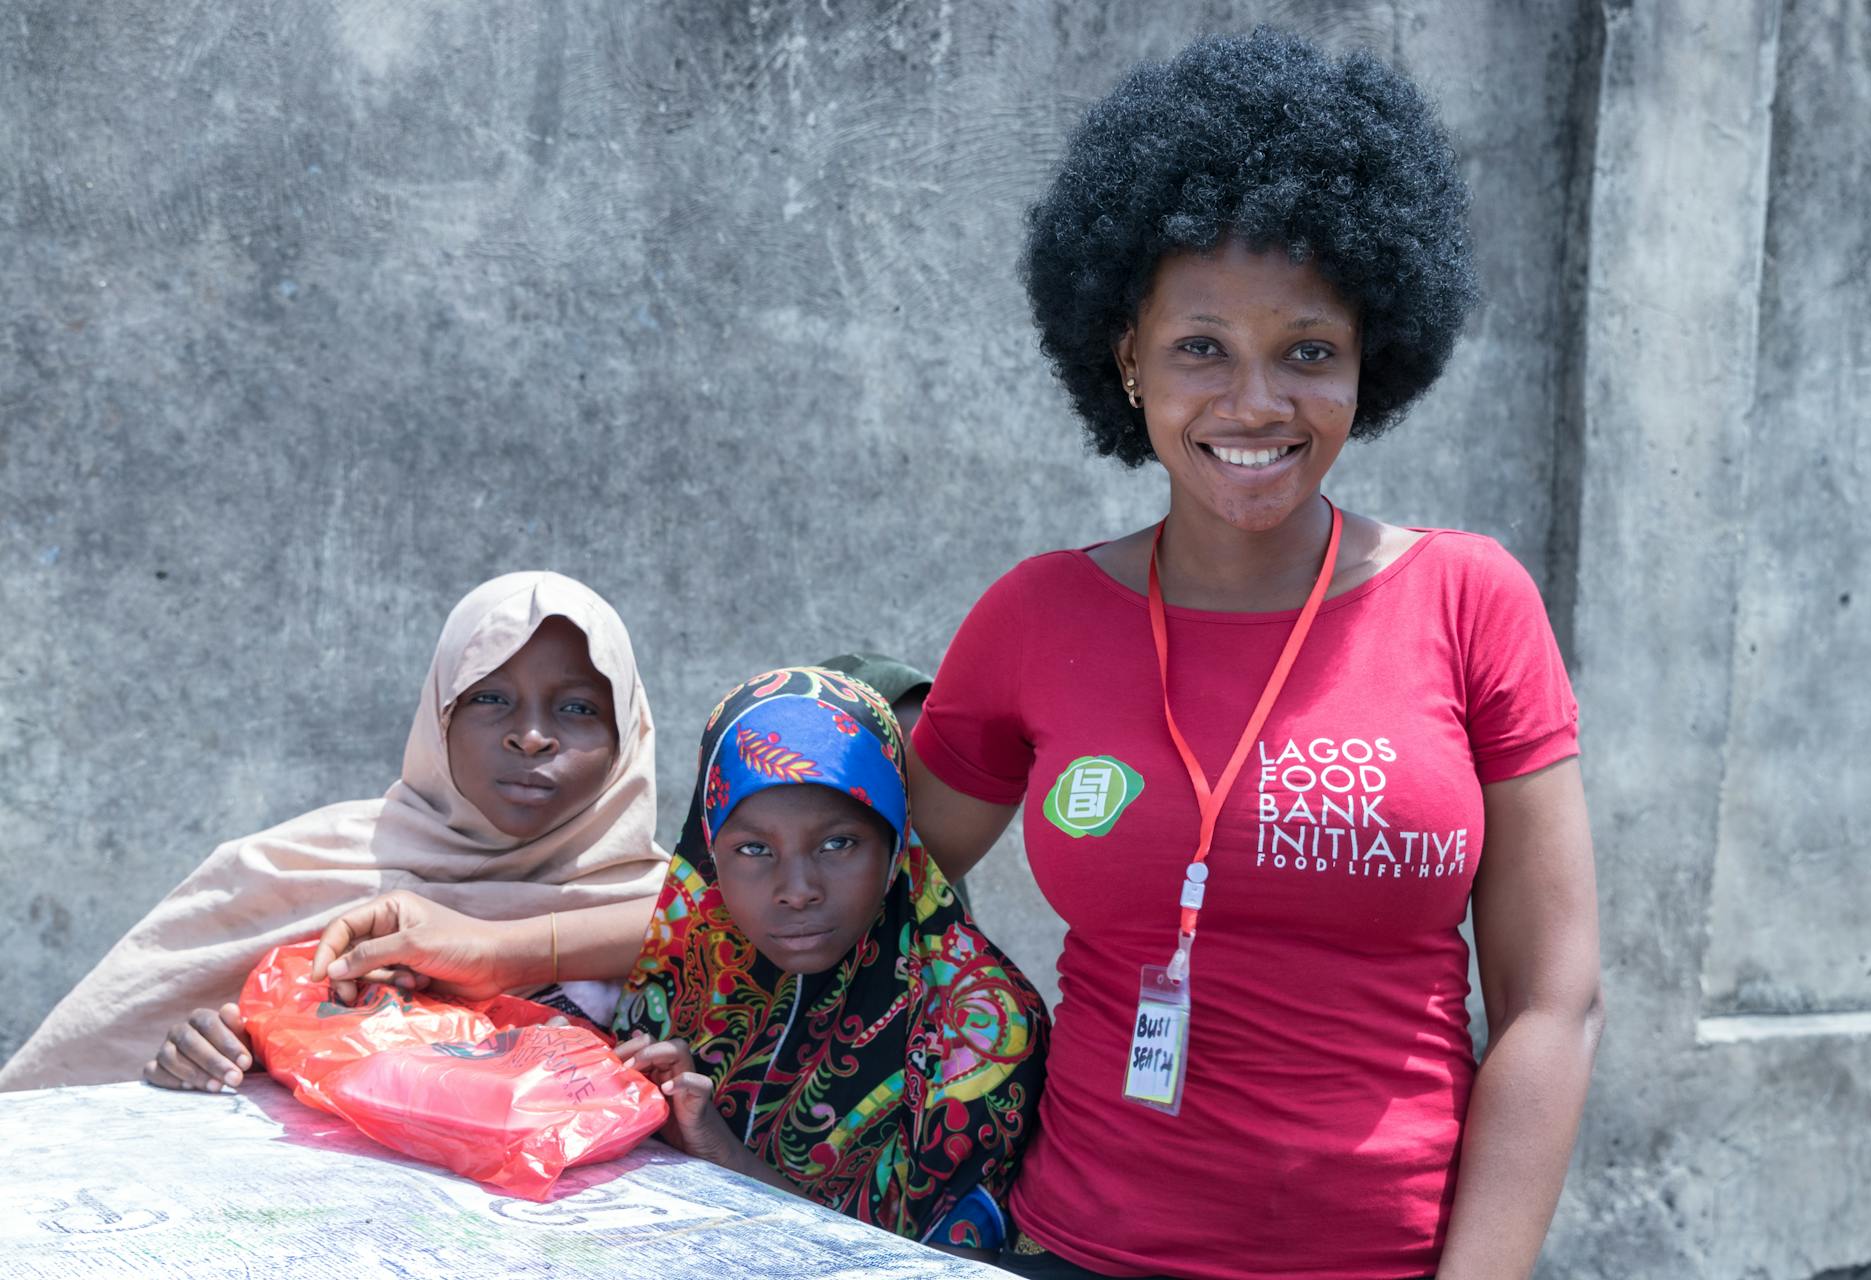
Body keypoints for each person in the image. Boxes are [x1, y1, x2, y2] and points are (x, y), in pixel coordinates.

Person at [903, 29, 1602, 1280]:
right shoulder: (1037, 616)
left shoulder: (1470, 600)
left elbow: (1553, 1002)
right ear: (1126, 357)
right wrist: (526, 926)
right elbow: (840, 872)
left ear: (1368, 359)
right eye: (1201, 346)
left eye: (1308, 351)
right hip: (1082, 1249)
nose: (1256, 403)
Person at [312, 667, 1049, 1256]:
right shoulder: (696, 964)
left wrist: (718, 1152)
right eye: (753, 850)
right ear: (709, 853)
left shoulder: (977, 1029)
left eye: (839, 844)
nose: (797, 890)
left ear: (895, 841)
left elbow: (931, 1265)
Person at [0, 572, 668, 1092]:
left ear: (624, 737)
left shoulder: (677, 907)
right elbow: (110, 1065)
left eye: (579, 708)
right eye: (488, 698)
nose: (530, 735)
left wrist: (501, 951)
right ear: (437, 720)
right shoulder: (296, 871)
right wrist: (202, 1051)